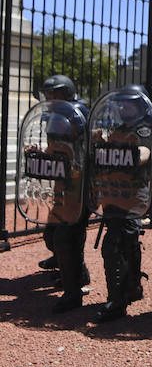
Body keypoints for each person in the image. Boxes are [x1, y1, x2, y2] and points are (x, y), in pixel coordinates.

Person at [90, 85, 152, 321]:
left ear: (138, 107)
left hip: (132, 197)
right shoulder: (118, 129)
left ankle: (116, 302)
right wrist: (101, 141)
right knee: (125, 243)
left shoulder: (143, 130)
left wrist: (116, 148)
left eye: (128, 104)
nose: (123, 108)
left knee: (114, 245)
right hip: (112, 195)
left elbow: (143, 154)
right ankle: (131, 287)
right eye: (121, 104)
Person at [34, 74, 91, 311]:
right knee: (53, 235)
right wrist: (40, 154)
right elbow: (54, 149)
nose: (49, 98)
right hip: (62, 186)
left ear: (66, 92)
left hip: (79, 187)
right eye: (47, 95)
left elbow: (84, 151)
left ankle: (73, 290)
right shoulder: (54, 117)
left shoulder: (79, 115)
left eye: (54, 94)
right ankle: (76, 273)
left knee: (66, 237)